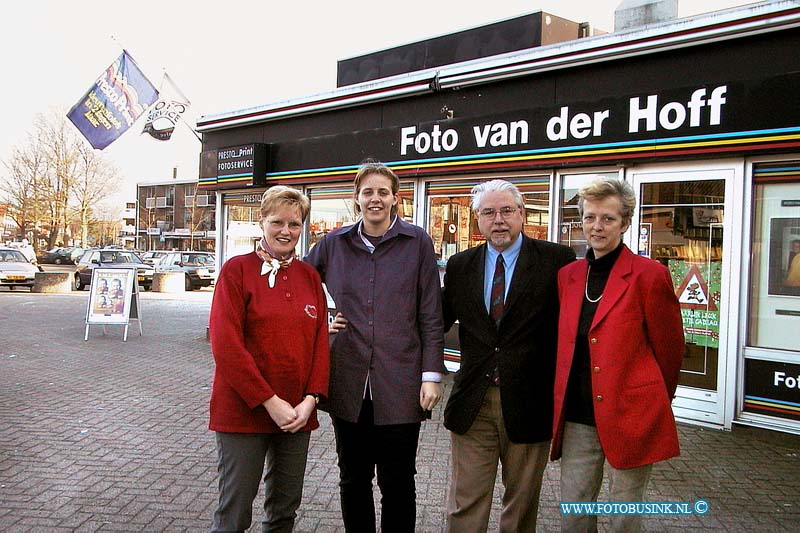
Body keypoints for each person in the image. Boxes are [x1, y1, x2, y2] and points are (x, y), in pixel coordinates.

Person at [304, 161, 444, 533]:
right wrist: (320, 321)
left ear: (396, 198)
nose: (375, 199)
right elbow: (299, 284)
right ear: (356, 198)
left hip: (399, 383)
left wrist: (431, 375)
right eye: (368, 192)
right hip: (348, 381)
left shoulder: (417, 243)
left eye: (383, 192)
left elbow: (431, 313)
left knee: (398, 482)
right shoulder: (334, 243)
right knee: (353, 479)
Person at [551, 176, 685, 533]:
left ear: (625, 223)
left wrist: (656, 399)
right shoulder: (568, 275)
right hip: (579, 412)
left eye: (607, 218)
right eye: (590, 217)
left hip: (632, 412)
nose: (597, 226)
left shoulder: (650, 275)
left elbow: (670, 349)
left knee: (625, 512)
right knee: (574, 509)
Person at [441, 179, 575, 532]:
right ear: (477, 219)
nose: (498, 220)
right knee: (465, 503)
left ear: (522, 214)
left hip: (530, 403)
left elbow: (573, 328)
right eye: (489, 212)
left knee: (521, 506)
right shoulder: (459, 265)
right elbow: (432, 321)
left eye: (506, 211)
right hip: (474, 403)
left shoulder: (557, 261)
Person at [208, 186, 330, 533]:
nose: (285, 231)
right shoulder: (237, 271)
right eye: (277, 221)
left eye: (294, 223)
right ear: (261, 221)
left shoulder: (309, 277)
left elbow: (320, 343)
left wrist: (311, 399)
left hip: (296, 415)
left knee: (284, 511)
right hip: (243, 412)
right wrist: (268, 400)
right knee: (234, 514)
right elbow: (226, 345)